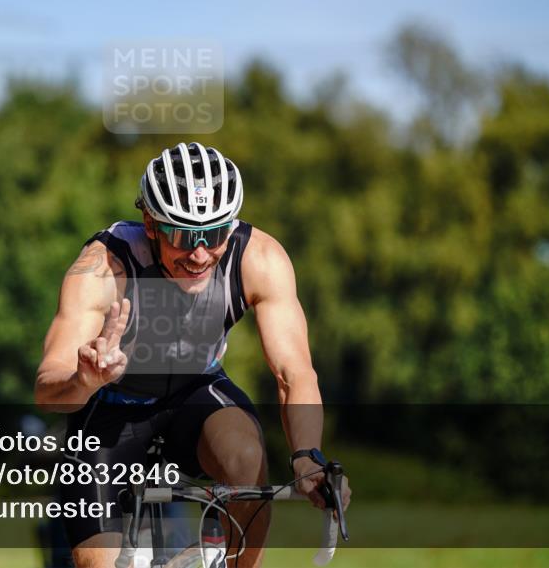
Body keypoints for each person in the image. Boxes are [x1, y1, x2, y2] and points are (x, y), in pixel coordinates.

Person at [35, 142, 351, 568]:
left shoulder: (259, 258)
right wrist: (83, 380)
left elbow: (293, 371)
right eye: (184, 236)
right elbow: (47, 388)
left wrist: (307, 455)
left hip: (196, 395)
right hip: (110, 411)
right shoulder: (104, 267)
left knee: (245, 457)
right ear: (150, 223)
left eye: (215, 234)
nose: (200, 254)